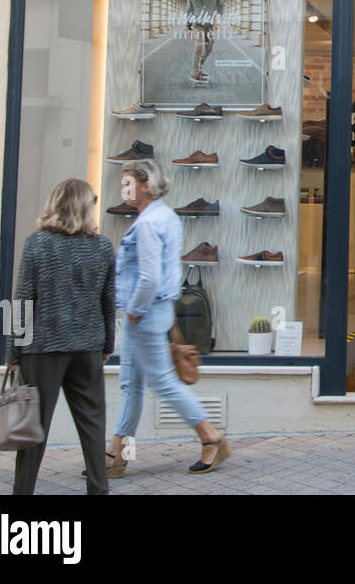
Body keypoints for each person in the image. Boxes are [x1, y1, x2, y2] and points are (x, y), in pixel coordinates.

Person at [107, 159, 230, 474]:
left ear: (146, 184)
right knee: (131, 383)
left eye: (128, 183)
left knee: (160, 381)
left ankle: (210, 437)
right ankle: (115, 452)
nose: (123, 189)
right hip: (156, 309)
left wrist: (133, 311)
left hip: (144, 312)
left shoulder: (148, 223)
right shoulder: (167, 216)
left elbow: (148, 277)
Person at [7, 179, 116, 495]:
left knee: (33, 426)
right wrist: (107, 345)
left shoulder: (37, 243)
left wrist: (13, 353)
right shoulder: (102, 246)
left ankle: (23, 491)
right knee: (93, 424)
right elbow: (108, 301)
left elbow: (22, 300)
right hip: (87, 347)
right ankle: (99, 487)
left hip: (43, 349)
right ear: (86, 208)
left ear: (54, 204)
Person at [185, 0, 223, 82]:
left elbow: (221, 6)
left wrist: (218, 20)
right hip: (198, 26)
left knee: (208, 48)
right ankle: (194, 75)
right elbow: (189, 12)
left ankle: (198, 69)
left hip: (210, 25)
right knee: (199, 47)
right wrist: (188, 28)